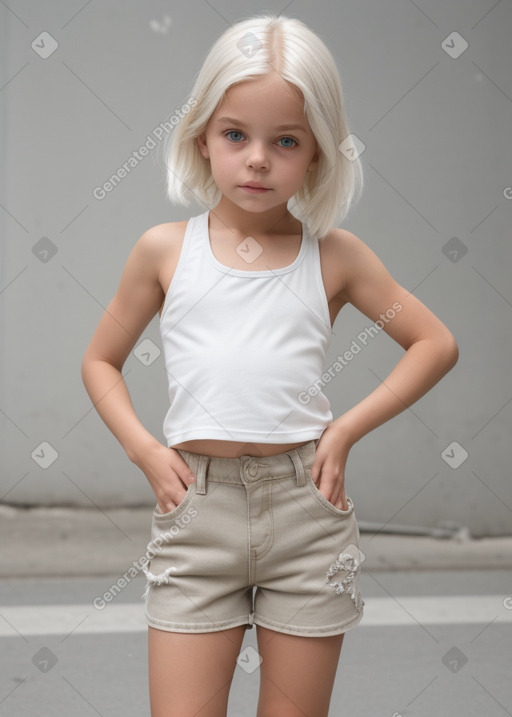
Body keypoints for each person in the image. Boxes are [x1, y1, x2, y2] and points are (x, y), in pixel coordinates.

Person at [81, 13, 459, 717]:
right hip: (197, 511)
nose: (258, 159)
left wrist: (343, 431)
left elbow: (435, 342)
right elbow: (100, 360)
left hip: (306, 518)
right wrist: (143, 449)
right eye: (236, 135)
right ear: (202, 136)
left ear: (317, 154)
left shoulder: (336, 256)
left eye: (285, 141)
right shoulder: (164, 251)